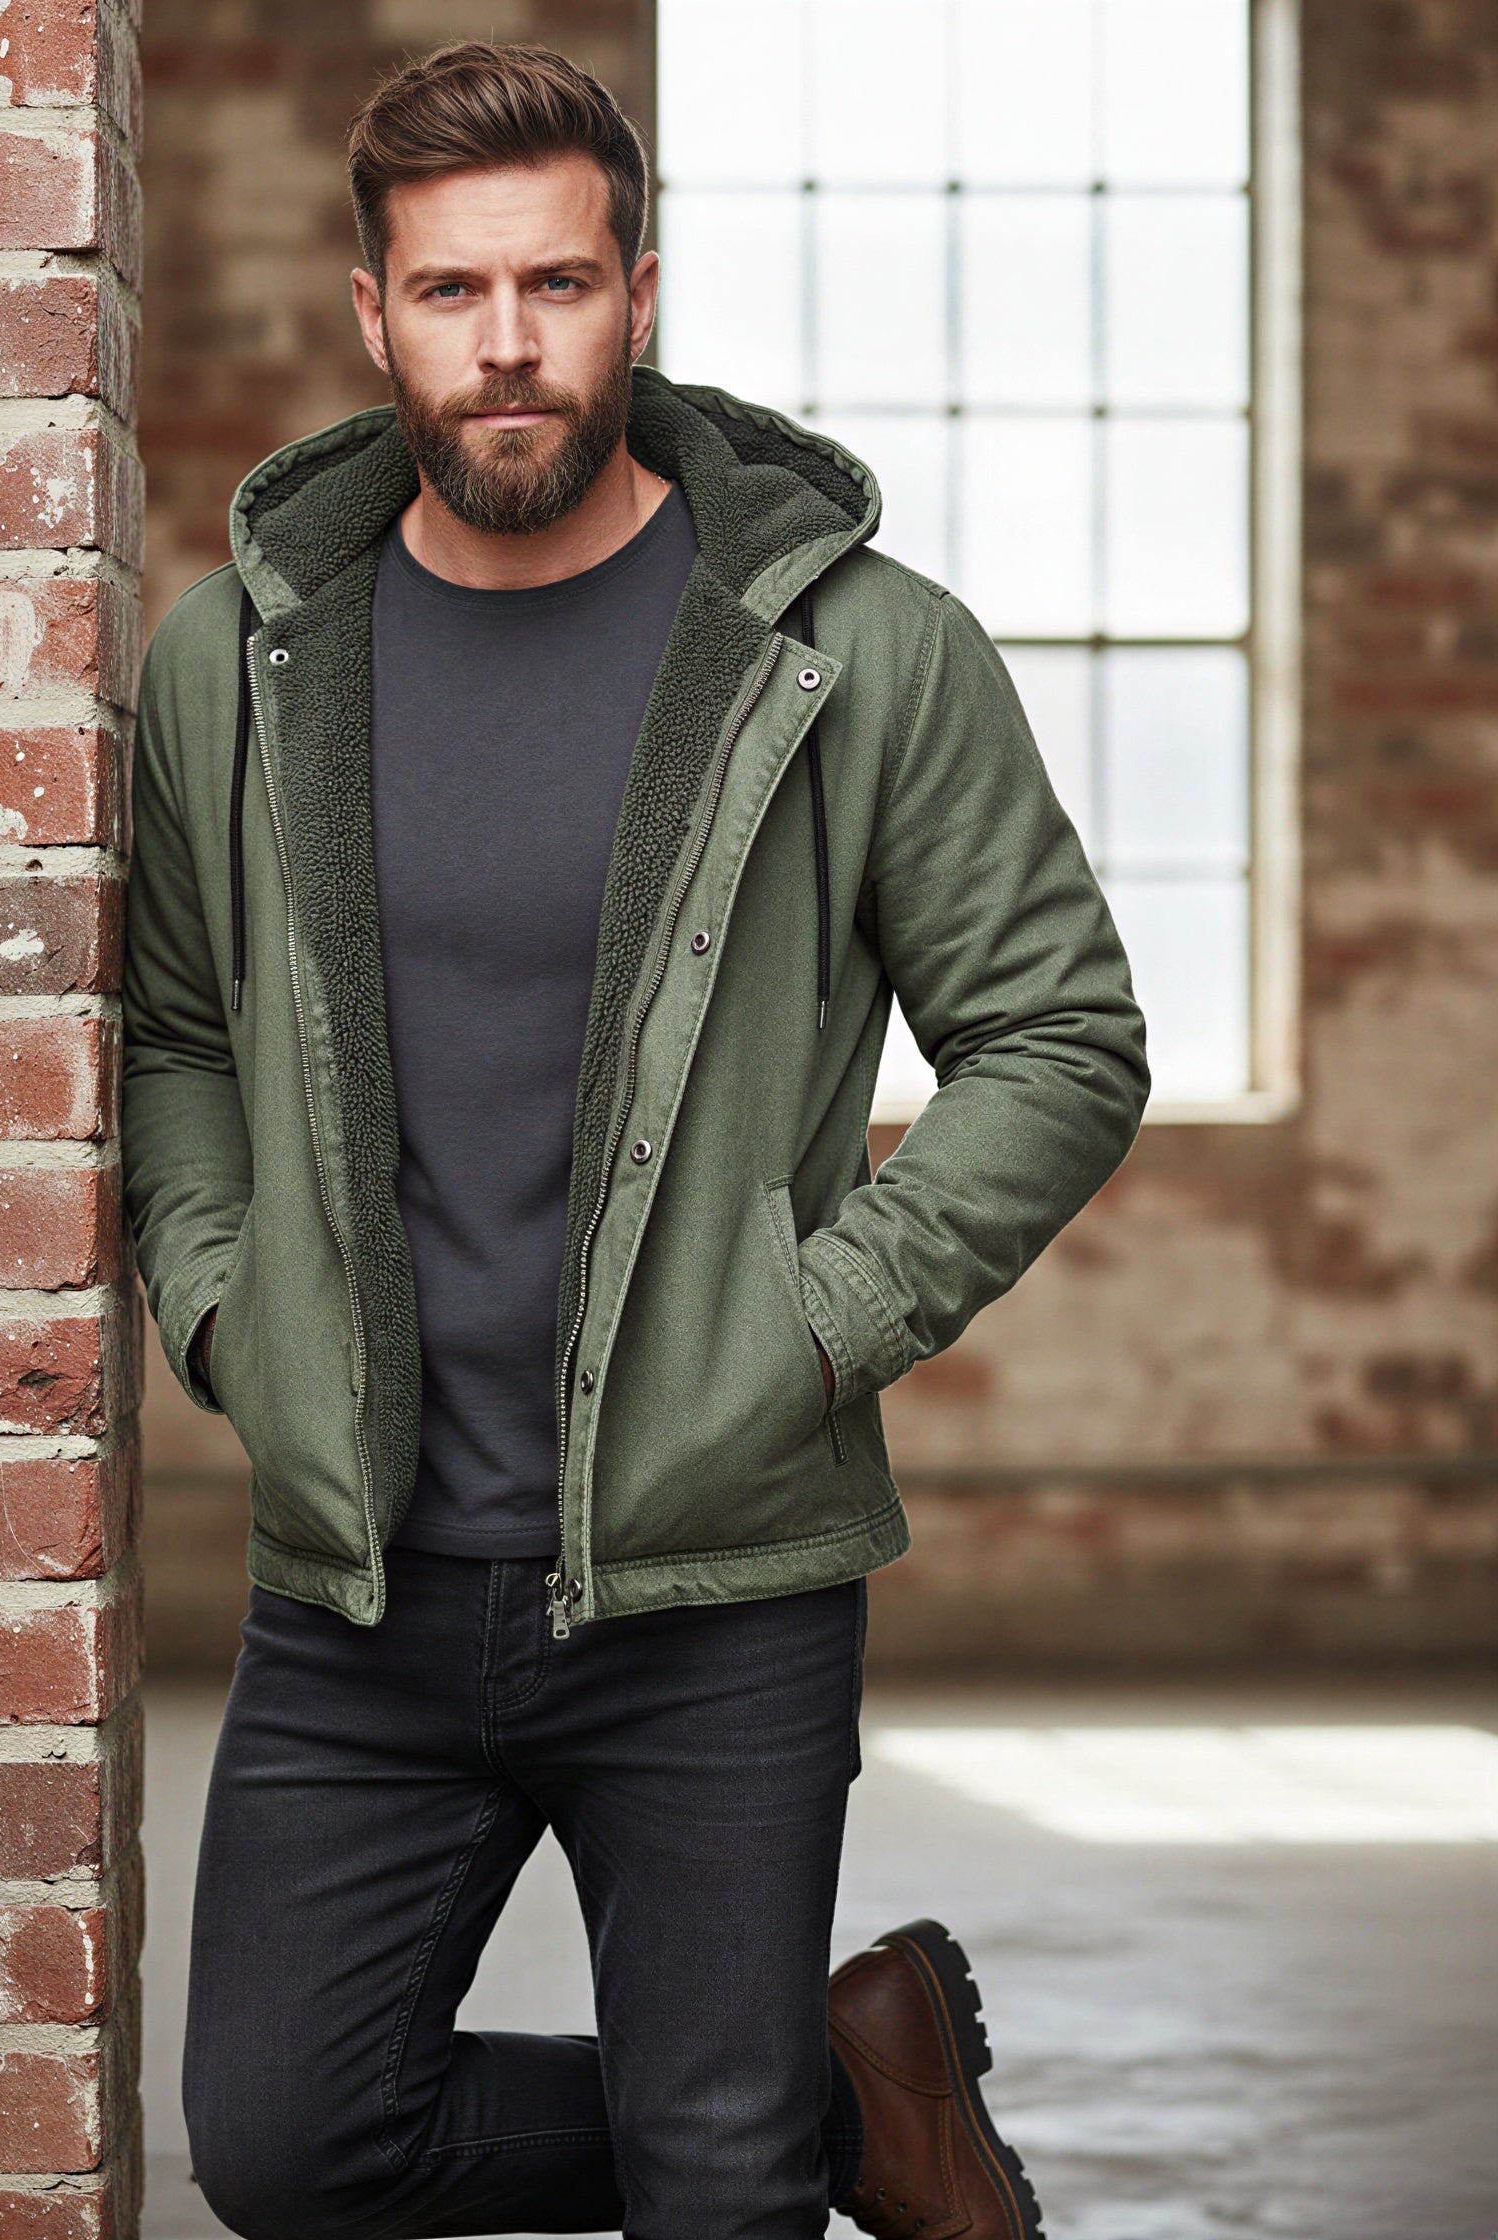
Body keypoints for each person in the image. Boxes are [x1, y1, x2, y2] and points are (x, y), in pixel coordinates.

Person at [122, 40, 1147, 2240]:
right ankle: (841, 2096)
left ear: (639, 295)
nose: (508, 343)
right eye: (454, 290)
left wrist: (813, 1328)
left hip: (718, 1577)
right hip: (359, 1581)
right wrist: (226, 1313)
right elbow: (177, 1034)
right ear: (374, 311)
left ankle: (761, 2118)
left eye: (558, 284)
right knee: (291, 2145)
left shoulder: (853, 654)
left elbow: (1058, 1036)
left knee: (714, 2191)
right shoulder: (239, 664)